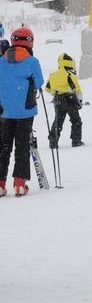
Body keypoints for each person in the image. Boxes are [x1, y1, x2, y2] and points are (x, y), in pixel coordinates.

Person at [0, 28, 44, 197]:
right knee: (22, 146)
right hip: (25, 112)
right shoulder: (32, 61)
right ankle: (19, 183)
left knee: (4, 147)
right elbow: (39, 83)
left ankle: (0, 183)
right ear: (30, 41)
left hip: (5, 112)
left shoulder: (2, 61)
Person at [44, 53, 84, 149]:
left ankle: (53, 142)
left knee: (58, 121)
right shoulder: (70, 73)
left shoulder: (53, 75)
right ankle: (76, 140)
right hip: (69, 99)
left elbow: (47, 88)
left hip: (57, 99)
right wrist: (80, 99)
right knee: (75, 120)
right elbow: (76, 88)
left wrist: (56, 93)